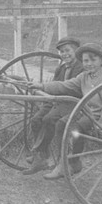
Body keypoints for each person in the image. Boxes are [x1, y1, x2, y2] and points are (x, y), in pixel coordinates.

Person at [28, 43, 102, 180]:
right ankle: (63, 163)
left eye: (93, 60)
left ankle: (74, 161)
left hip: (96, 115)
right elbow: (64, 86)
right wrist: (42, 86)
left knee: (75, 128)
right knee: (61, 124)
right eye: (86, 61)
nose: (89, 64)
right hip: (84, 111)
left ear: (101, 61)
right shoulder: (84, 76)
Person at [27, 37, 84, 174]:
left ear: (76, 51)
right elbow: (54, 85)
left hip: (73, 102)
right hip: (56, 100)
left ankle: (58, 160)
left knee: (49, 119)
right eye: (62, 52)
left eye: (67, 50)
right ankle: (42, 155)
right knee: (35, 120)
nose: (65, 54)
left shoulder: (81, 68)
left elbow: (70, 89)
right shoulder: (61, 68)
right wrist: (45, 97)